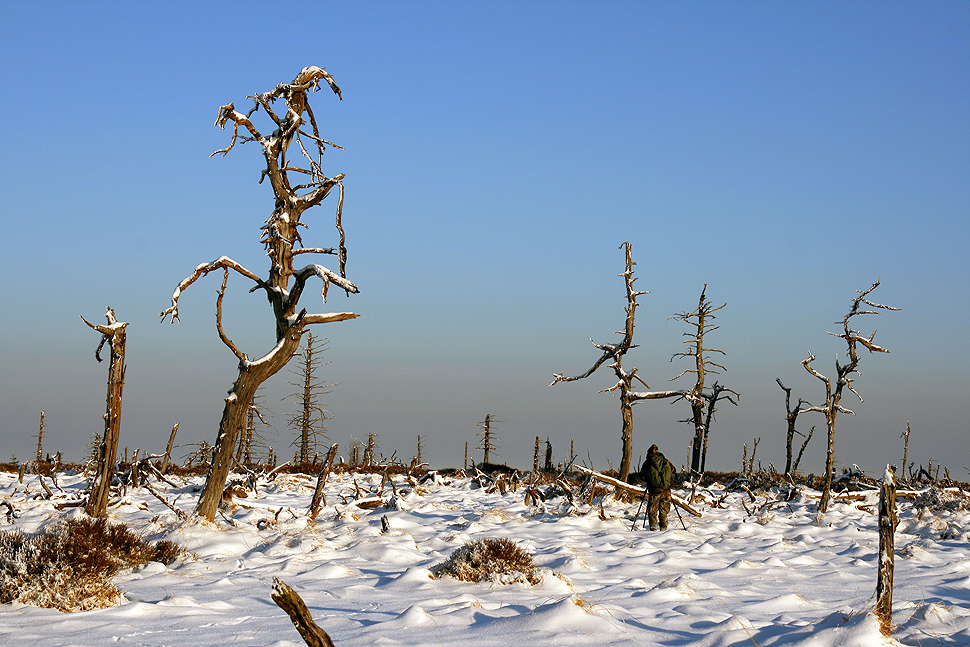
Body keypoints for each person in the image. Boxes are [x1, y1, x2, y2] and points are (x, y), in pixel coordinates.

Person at [640, 444, 674, 531]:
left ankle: (653, 529)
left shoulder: (647, 463)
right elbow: (673, 470)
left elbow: (642, 476)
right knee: (663, 511)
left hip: (654, 490)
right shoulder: (665, 461)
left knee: (652, 511)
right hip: (666, 490)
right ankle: (663, 529)